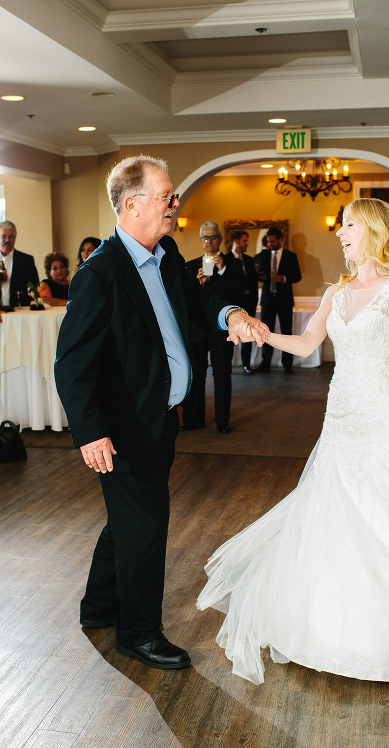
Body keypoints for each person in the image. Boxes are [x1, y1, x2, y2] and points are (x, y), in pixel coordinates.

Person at [196, 163, 389, 685]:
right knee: (334, 511)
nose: (341, 233)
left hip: (382, 414)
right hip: (340, 416)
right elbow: (308, 344)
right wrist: (263, 336)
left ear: (374, 232)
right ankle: (331, 626)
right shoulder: (336, 293)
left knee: (388, 512)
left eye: (350, 225)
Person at [53, 155, 268, 671]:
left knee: (129, 520)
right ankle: (138, 631)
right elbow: (71, 364)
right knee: (146, 525)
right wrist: (90, 433)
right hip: (123, 428)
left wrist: (229, 311)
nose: (175, 204)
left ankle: (100, 606)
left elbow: (195, 305)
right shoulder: (99, 274)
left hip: (160, 419)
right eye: (167, 196)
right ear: (132, 204)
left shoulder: (166, 253)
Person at [180, 221, 244, 434]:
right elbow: (183, 300)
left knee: (222, 375)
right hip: (197, 331)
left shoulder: (233, 264)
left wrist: (222, 270)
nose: (209, 241)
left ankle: (222, 420)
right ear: (201, 240)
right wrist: (197, 284)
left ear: (220, 239)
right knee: (195, 375)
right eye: (205, 238)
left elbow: (239, 292)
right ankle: (193, 419)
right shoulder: (190, 266)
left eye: (213, 237)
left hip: (221, 330)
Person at [256, 226, 301, 373]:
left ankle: (287, 364)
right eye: (268, 241)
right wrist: (260, 276)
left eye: (273, 241)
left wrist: (284, 278)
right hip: (267, 300)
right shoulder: (263, 255)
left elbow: (297, 276)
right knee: (265, 332)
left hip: (284, 300)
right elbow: (257, 271)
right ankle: (265, 363)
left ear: (280, 239)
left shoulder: (290, 256)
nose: (270, 244)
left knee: (286, 332)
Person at [229, 229, 259, 374]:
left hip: (248, 302)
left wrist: (254, 300)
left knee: (248, 333)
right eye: (244, 241)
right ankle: (225, 365)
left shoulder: (249, 260)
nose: (247, 244)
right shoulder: (226, 259)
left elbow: (253, 283)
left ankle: (246, 364)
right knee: (228, 335)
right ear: (236, 241)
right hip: (232, 304)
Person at [0, 220, 40, 307]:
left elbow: (34, 285)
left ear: (15, 238)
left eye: (11, 237)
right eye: (3, 236)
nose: (7, 240)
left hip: (18, 311)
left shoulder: (26, 260)